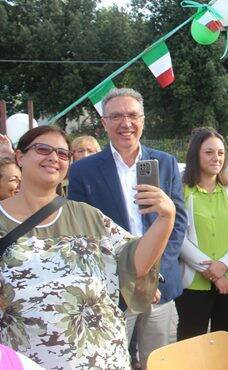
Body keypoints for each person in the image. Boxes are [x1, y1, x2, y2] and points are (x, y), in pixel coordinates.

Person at [0, 125, 175, 369]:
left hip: (107, 360)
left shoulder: (89, 216)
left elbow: (136, 263)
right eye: (43, 149)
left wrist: (166, 219)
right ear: (20, 156)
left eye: (62, 154)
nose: (53, 158)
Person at [67, 88, 187, 368]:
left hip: (160, 287)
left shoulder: (165, 163)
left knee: (157, 361)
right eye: (116, 116)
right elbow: (83, 233)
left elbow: (177, 221)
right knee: (111, 360)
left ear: (143, 120)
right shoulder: (83, 171)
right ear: (105, 122)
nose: (126, 123)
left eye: (132, 115)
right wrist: (127, 279)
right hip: (111, 291)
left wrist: (152, 274)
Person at [176, 127, 228, 340]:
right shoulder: (181, 191)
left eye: (220, 152)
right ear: (195, 154)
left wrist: (224, 265)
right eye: (209, 152)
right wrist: (214, 272)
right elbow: (178, 235)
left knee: (224, 343)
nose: (216, 158)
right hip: (193, 283)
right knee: (191, 343)